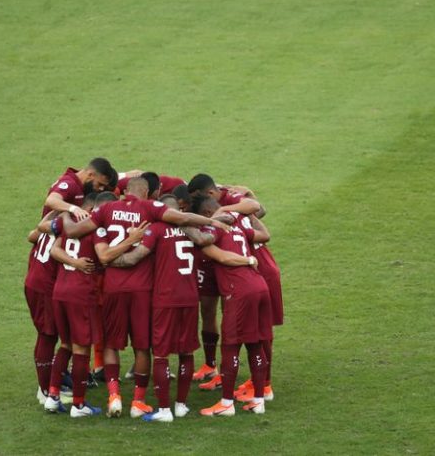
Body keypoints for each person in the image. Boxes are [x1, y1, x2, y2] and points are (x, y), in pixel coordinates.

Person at [45, 177, 230, 418]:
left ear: (124, 191)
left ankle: (113, 396)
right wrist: (211, 220)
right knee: (143, 347)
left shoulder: (107, 210)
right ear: (146, 193)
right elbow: (183, 220)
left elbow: (71, 232)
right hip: (146, 289)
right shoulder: (150, 209)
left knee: (110, 344)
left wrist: (67, 212)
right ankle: (139, 401)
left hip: (112, 287)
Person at [24, 158, 116, 404]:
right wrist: (72, 212)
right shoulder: (70, 193)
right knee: (49, 335)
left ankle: (56, 382)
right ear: (92, 174)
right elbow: (52, 200)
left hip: (42, 275)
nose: (99, 188)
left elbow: (32, 235)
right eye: (100, 184)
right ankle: (46, 390)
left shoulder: (61, 218)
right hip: (45, 281)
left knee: (59, 336)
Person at [192, 196, 273, 416]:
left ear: (207, 215)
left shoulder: (213, 229)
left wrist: (247, 260)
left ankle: (226, 403)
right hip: (259, 285)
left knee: (230, 346)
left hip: (239, 290)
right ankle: (259, 400)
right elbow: (263, 233)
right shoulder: (238, 224)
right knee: (255, 344)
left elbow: (221, 255)